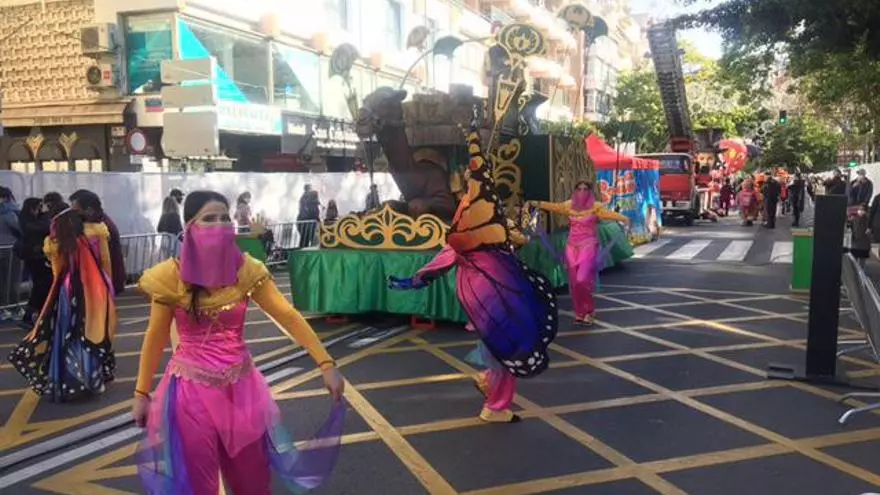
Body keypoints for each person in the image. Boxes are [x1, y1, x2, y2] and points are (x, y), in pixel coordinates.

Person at [132, 190, 345, 495]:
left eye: (224, 218)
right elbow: (155, 337)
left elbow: (287, 315)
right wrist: (141, 393)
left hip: (241, 389)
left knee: (252, 478)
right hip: (191, 393)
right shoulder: (169, 277)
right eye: (209, 219)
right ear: (189, 227)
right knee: (201, 482)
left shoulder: (246, 270)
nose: (220, 225)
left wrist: (326, 364)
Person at [390, 121, 558, 424]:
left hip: (491, 287)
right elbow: (454, 250)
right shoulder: (470, 216)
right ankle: (495, 406)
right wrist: (419, 277)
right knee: (510, 347)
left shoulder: (479, 213)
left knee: (502, 345)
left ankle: (488, 383)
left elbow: (500, 241)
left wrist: (419, 278)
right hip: (491, 290)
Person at [7, 208, 117, 401]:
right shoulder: (89, 239)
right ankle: (91, 380)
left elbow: (57, 272)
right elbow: (104, 264)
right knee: (89, 335)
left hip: (67, 292)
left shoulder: (57, 244)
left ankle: (68, 381)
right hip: (92, 291)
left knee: (66, 337)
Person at [530, 181, 630, 326]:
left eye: (585, 189)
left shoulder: (596, 207)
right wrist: (536, 203)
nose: (582, 191)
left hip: (588, 246)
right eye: (579, 188)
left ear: (590, 191)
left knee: (582, 279)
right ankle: (580, 313)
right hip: (571, 247)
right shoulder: (569, 205)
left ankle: (589, 310)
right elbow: (554, 207)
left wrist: (623, 218)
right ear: (575, 191)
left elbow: (609, 214)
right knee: (575, 282)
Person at [69, 190, 126, 295]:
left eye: (76, 211)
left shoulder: (101, 228)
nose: (74, 215)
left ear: (89, 210)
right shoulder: (97, 223)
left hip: (104, 281)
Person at [14, 198, 52, 328]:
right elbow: (44, 227)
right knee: (40, 287)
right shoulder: (27, 221)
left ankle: (32, 316)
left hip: (37, 257)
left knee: (39, 287)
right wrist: (45, 214)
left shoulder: (32, 219)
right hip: (35, 258)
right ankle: (30, 317)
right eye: (39, 207)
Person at [851, 202, 872, 267]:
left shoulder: (867, 220)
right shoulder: (855, 219)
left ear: (866, 211)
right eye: (860, 209)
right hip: (860, 245)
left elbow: (857, 231)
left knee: (858, 264)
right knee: (858, 264)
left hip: (860, 245)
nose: (860, 211)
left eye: (862, 209)